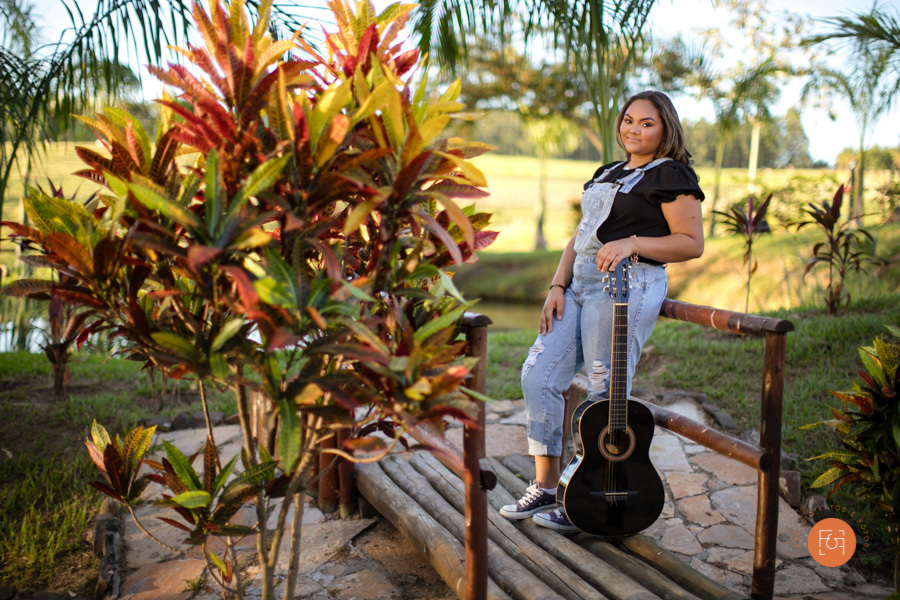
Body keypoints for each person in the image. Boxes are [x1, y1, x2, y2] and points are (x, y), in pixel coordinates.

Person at [499, 90, 705, 532]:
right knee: (538, 375)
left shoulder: (672, 175)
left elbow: (691, 243)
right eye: (628, 120)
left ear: (665, 127)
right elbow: (581, 234)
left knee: (602, 393)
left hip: (628, 285)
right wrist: (558, 284)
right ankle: (547, 486)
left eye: (646, 123)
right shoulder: (606, 171)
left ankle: (585, 497)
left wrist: (634, 243)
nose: (633, 129)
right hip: (578, 285)